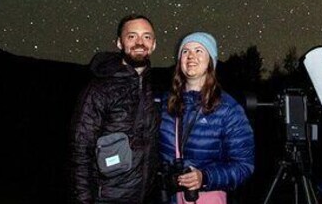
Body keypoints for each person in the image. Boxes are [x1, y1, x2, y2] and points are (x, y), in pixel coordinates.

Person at [70, 14, 160, 204]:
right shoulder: (99, 88)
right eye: (131, 36)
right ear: (119, 43)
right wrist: (84, 199)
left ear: (153, 44)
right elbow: (80, 148)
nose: (139, 42)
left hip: (144, 195)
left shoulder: (156, 87)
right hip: (106, 198)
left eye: (146, 37)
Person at [159, 32, 255, 203]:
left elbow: (244, 166)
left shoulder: (228, 109)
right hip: (170, 197)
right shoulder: (166, 103)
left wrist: (204, 177)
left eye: (198, 51)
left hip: (207, 196)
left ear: (211, 60)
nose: (191, 56)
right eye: (185, 51)